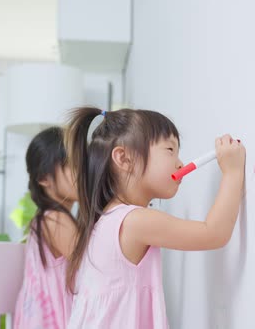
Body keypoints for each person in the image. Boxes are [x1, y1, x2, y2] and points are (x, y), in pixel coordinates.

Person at [64, 107, 245, 328]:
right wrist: (232, 172)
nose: (180, 163)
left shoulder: (103, 223)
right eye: (170, 149)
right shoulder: (135, 221)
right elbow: (214, 233)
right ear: (124, 158)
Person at [13, 126, 79, 329]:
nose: (83, 173)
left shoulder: (49, 218)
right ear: (44, 178)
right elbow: (93, 268)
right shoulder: (55, 220)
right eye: (72, 165)